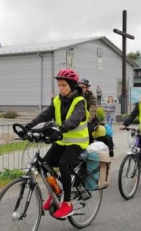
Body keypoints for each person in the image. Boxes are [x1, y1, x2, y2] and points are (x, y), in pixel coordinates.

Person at [24, 69, 89, 219]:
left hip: (78, 142)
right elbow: (44, 115)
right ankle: (54, 192)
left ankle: (67, 203)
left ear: (72, 86)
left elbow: (75, 119)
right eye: (59, 85)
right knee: (45, 163)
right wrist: (28, 127)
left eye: (63, 85)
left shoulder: (80, 101)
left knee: (63, 163)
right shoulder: (57, 100)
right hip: (62, 140)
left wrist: (60, 129)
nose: (60, 88)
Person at [78, 77, 99, 142]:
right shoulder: (76, 96)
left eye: (83, 87)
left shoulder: (92, 98)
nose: (80, 88)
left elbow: (92, 111)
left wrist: (87, 121)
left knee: (88, 130)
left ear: (87, 88)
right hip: (78, 119)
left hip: (92, 121)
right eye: (80, 87)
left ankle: (90, 147)